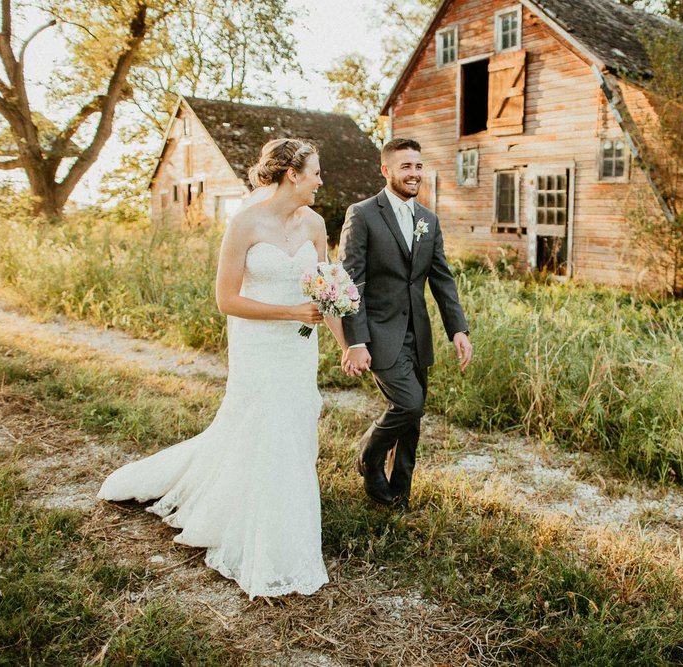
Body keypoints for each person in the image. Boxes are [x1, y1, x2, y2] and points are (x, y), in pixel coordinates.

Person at [98, 138, 346, 599]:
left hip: (297, 351)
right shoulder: (245, 223)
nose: (320, 179)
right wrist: (290, 314)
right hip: (259, 345)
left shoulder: (315, 223)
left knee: (291, 428)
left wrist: (347, 346)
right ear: (293, 174)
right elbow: (226, 299)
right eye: (315, 171)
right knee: (263, 426)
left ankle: (282, 518)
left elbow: (326, 291)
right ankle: (264, 541)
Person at [338, 138, 472, 509]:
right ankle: (369, 454)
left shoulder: (428, 220)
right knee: (409, 405)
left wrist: (458, 329)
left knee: (413, 424)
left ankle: (397, 496)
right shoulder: (362, 214)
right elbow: (351, 284)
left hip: (419, 333)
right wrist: (356, 340)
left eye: (418, 166)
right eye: (405, 166)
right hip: (380, 333)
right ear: (386, 171)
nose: (414, 173)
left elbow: (441, 278)